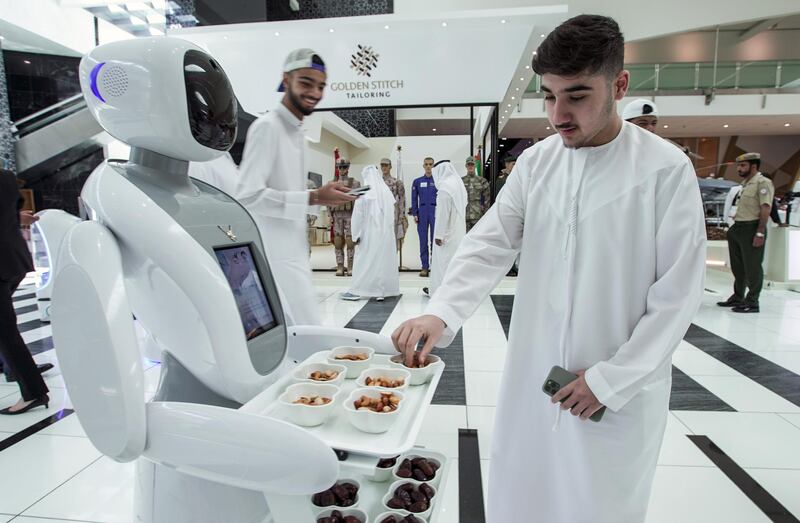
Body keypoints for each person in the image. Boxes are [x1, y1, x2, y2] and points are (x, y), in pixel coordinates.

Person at [391, 15, 706, 523]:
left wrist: (609, 380)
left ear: (619, 85)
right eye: (549, 95)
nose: (558, 113)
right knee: (524, 495)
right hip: (534, 379)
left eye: (577, 95)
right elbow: (489, 243)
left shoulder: (664, 170)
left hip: (614, 392)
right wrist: (441, 312)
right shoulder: (538, 164)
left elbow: (678, 296)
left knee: (599, 505)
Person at [235, 49, 354, 325]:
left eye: (321, 86)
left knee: (303, 341)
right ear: (285, 80)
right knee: (303, 337)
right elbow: (248, 196)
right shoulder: (268, 128)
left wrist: (320, 197)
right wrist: (313, 197)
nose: (314, 92)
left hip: (296, 253)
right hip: (273, 257)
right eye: (306, 82)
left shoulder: (299, 135)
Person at [0, 170, 51, 414]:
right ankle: (11, 367)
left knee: (5, 331)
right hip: (14, 260)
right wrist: (19, 218)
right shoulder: (6, 176)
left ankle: (33, 392)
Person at [717, 152, 774, 313]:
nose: (739, 168)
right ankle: (738, 296)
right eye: (739, 165)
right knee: (738, 266)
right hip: (738, 227)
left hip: (752, 228)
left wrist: (760, 232)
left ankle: (753, 301)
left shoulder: (763, 183)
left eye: (743, 165)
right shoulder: (745, 184)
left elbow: (765, 208)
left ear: (753, 166)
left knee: (753, 267)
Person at [340, 166, 400, 302]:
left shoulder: (364, 193)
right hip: (385, 234)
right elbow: (392, 213)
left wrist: (355, 235)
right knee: (382, 262)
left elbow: (357, 216)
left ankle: (357, 290)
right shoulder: (385, 191)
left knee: (364, 261)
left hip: (369, 234)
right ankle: (381, 292)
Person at [425, 161, 467, 297]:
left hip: (447, 234)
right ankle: (454, 291)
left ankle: (441, 292)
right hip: (458, 231)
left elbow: (443, 214)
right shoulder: (457, 185)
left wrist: (438, 235)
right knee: (454, 263)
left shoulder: (445, 189)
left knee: (443, 263)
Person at [329, 158, 360, 276]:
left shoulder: (355, 183)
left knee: (350, 241)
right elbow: (328, 200)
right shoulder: (331, 183)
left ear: (348, 168)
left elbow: (359, 201)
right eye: (340, 167)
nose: (342, 170)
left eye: (344, 167)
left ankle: (351, 266)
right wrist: (329, 215)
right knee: (337, 241)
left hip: (350, 215)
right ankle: (340, 266)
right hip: (337, 215)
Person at [411, 157, 437, 277]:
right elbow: (414, 198)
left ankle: (435, 265)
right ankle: (425, 267)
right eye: (426, 164)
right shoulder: (417, 181)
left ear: (433, 165)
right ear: (423, 166)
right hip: (422, 212)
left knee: (434, 241)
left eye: (430, 164)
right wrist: (415, 213)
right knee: (423, 241)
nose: (428, 166)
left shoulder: (438, 181)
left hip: (435, 211)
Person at [380, 157, 407, 254]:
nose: (384, 167)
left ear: (390, 166)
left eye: (386, 165)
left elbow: (401, 200)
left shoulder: (397, 182)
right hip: (380, 212)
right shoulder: (377, 182)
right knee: (381, 237)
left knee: (393, 236)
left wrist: (401, 215)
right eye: (382, 165)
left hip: (393, 212)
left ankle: (392, 260)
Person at [462, 156, 489, 231]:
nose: (470, 167)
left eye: (472, 165)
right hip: (464, 215)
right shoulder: (461, 181)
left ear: (475, 165)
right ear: (466, 166)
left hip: (478, 214)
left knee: (477, 237)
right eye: (469, 165)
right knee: (464, 237)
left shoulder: (482, 181)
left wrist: (486, 214)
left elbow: (487, 199)